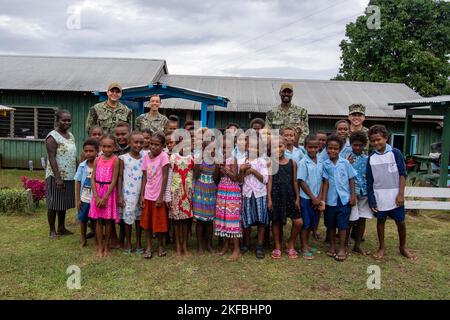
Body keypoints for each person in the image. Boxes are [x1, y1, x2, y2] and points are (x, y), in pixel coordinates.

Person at [366, 125, 417, 261]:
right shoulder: (371, 157)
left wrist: (401, 194)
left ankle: (402, 247)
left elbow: (402, 174)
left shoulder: (396, 153)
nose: (376, 143)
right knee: (381, 221)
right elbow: (369, 180)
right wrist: (371, 200)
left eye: (379, 139)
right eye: (373, 141)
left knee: (400, 222)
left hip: (395, 196)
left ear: (386, 138)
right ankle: (381, 247)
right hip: (379, 197)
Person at [321, 134, 356, 262]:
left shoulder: (345, 163)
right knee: (330, 224)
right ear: (326, 149)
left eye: (335, 149)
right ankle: (332, 245)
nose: (332, 151)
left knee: (342, 225)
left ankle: (342, 248)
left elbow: (351, 179)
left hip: (344, 199)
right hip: (330, 200)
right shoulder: (325, 164)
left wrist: (353, 196)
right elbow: (325, 182)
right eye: (330, 148)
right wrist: (323, 200)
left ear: (340, 149)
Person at [267, 137, 302, 259]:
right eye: (274, 147)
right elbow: (270, 181)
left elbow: (295, 181)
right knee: (276, 221)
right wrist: (269, 199)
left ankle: (290, 242)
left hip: (290, 195)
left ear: (285, 147)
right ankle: (277, 246)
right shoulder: (271, 163)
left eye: (280, 146)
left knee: (298, 222)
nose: (278, 149)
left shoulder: (292, 163)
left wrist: (297, 197)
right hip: (276, 195)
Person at [45, 110, 77, 239]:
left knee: (62, 203)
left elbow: (72, 155)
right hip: (55, 176)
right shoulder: (52, 137)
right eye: (64, 120)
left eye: (69, 120)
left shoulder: (71, 136)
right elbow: (52, 158)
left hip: (69, 175)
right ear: (57, 120)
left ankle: (61, 228)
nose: (67, 122)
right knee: (53, 204)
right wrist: (58, 178)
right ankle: (52, 230)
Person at [88, 134, 120, 258]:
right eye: (104, 146)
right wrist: (96, 196)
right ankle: (100, 247)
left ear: (114, 147)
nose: (107, 149)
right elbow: (92, 178)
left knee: (107, 221)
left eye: (109, 147)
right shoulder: (97, 159)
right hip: (97, 191)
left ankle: (107, 246)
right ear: (101, 146)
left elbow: (114, 179)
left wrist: (106, 197)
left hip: (109, 193)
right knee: (98, 221)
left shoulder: (115, 160)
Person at [140, 132, 170, 259]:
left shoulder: (164, 157)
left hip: (158, 197)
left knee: (159, 224)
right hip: (148, 195)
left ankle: (161, 246)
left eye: (157, 144)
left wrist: (161, 197)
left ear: (163, 145)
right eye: (151, 144)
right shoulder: (146, 157)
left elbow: (165, 177)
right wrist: (142, 195)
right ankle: (148, 247)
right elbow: (145, 176)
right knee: (147, 224)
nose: (153, 147)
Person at [239, 137, 269, 259]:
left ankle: (260, 245)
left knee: (261, 220)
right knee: (246, 220)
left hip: (260, 194)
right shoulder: (242, 161)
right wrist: (242, 171)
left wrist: (252, 171)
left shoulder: (262, 161)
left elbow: (265, 179)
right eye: (250, 146)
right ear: (246, 147)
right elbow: (240, 181)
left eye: (255, 147)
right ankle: (246, 243)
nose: (252, 149)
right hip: (246, 194)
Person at [215, 135, 242, 262]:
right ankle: (226, 245)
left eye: (228, 147)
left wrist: (225, 169)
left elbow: (235, 177)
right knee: (224, 218)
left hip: (232, 192)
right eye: (223, 148)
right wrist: (218, 167)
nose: (225, 150)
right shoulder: (220, 159)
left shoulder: (234, 160)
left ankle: (236, 249)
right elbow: (217, 177)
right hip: (222, 190)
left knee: (232, 219)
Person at [118, 131, 145, 255]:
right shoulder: (123, 158)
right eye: (136, 142)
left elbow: (145, 177)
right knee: (127, 219)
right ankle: (128, 242)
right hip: (127, 194)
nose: (138, 145)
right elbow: (119, 178)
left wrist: (142, 195)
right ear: (129, 143)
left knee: (139, 220)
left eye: (141, 142)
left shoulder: (145, 158)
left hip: (140, 194)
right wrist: (120, 195)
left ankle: (139, 242)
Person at [193, 129, 219, 256]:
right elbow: (196, 175)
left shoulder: (216, 162)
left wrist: (217, 165)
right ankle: (199, 246)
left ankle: (209, 244)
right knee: (200, 221)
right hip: (200, 191)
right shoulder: (199, 160)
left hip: (211, 192)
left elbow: (216, 179)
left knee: (209, 221)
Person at [298, 134, 324, 259]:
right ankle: (303, 247)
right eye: (310, 147)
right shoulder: (303, 162)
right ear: (305, 147)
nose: (312, 150)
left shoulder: (321, 161)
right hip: (306, 198)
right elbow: (301, 181)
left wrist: (319, 197)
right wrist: (312, 197)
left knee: (312, 223)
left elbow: (322, 180)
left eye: (315, 147)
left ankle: (307, 244)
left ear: (319, 147)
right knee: (305, 224)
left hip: (316, 199)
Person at [346, 131, 373, 255]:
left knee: (362, 219)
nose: (357, 147)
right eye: (355, 145)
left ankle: (357, 245)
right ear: (351, 144)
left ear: (365, 145)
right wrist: (347, 164)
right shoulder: (347, 158)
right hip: (352, 193)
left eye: (360, 145)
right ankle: (345, 243)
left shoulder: (368, 159)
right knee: (351, 219)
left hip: (365, 192)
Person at [169, 134, 194, 256]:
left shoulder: (193, 158)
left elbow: (194, 176)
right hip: (176, 193)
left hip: (187, 194)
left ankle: (185, 245)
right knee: (176, 221)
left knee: (186, 221)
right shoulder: (173, 157)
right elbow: (169, 176)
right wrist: (168, 196)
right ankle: (178, 245)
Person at [75, 139, 99, 248]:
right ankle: (83, 239)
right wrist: (78, 199)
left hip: (95, 199)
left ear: (97, 151)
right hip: (84, 198)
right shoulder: (82, 166)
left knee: (95, 220)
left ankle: (96, 238)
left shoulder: (100, 165)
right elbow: (78, 182)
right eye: (86, 151)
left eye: (91, 151)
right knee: (83, 219)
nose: (88, 153)